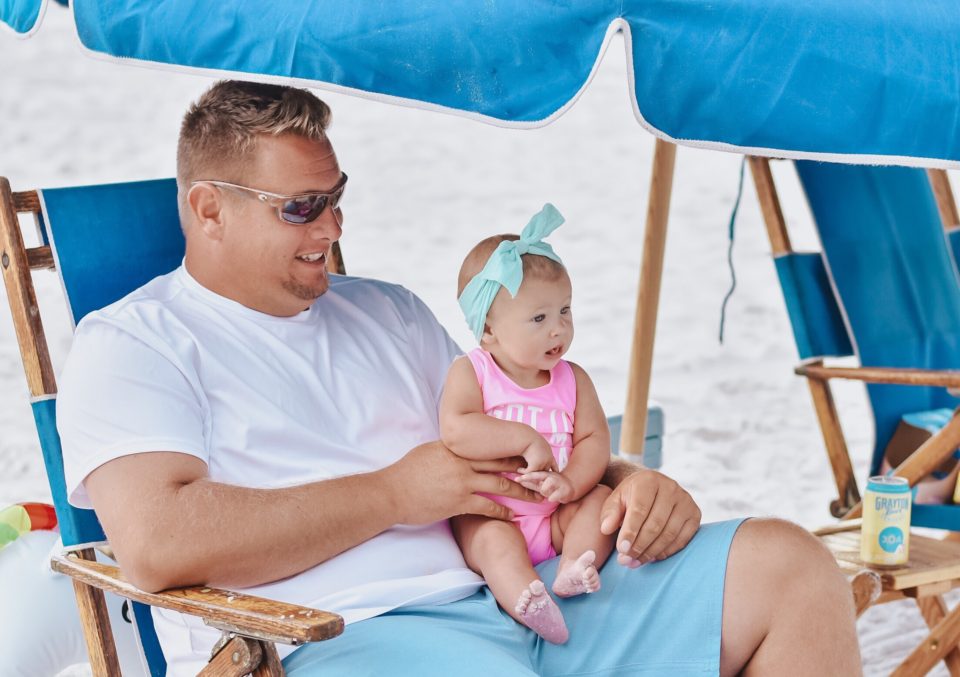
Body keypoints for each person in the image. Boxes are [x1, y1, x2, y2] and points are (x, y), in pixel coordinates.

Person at [56, 79, 862, 676]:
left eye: (336, 199)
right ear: (208, 210)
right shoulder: (134, 344)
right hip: (337, 639)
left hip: (522, 588)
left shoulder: (391, 313)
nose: (333, 230)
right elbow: (158, 544)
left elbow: (517, 447)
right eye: (301, 209)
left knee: (789, 569)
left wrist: (626, 478)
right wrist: (391, 496)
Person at [440, 205, 614, 644]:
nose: (558, 330)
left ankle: (575, 564)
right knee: (491, 542)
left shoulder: (573, 379)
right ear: (488, 332)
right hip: (493, 512)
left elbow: (594, 439)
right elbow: (457, 429)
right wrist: (525, 438)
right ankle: (526, 601)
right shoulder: (473, 372)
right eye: (539, 318)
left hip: (554, 513)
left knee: (601, 501)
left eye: (565, 311)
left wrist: (572, 484)